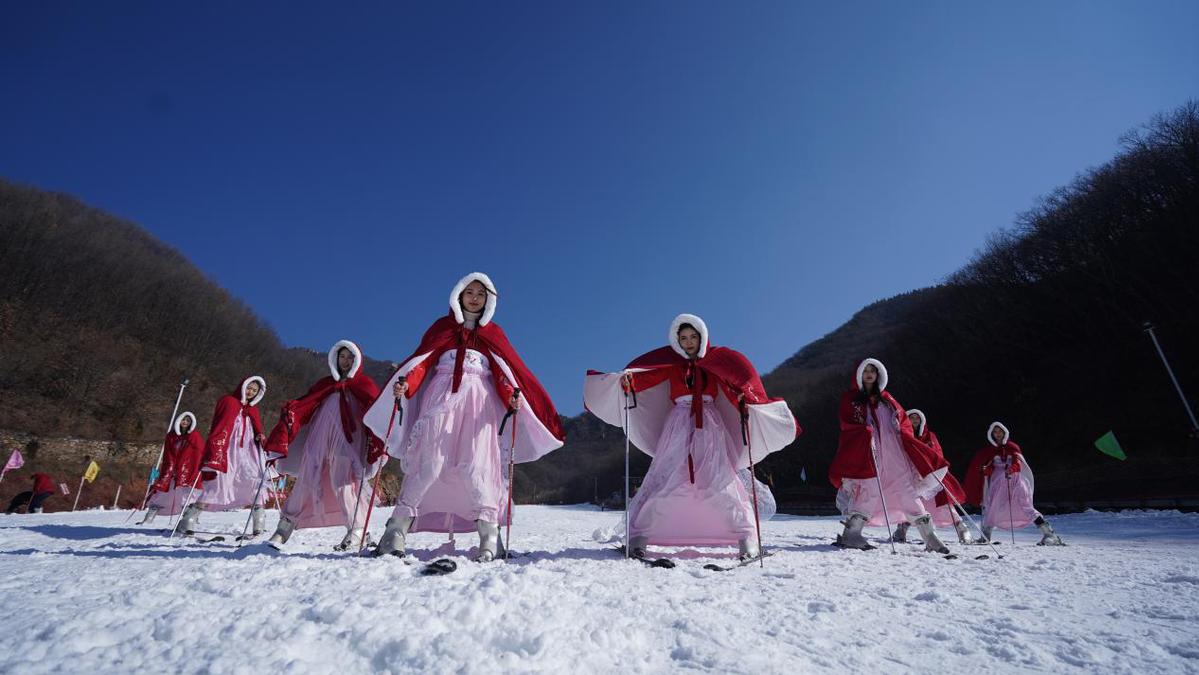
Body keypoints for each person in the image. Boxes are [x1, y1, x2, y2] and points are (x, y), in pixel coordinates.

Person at [364, 273, 564, 561]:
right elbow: (424, 362)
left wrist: (511, 395)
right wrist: (407, 384)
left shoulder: (494, 334)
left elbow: (502, 372)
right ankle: (395, 531)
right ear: (458, 295)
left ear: (489, 301)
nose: (474, 297)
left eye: (480, 294)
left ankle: (489, 536)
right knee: (429, 462)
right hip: (441, 398)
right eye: (469, 292)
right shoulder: (442, 328)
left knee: (477, 465)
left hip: (480, 403)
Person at [583, 313, 800, 561]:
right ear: (677, 341)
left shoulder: (717, 364)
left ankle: (746, 537)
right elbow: (647, 377)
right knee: (666, 478)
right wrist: (631, 381)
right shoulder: (671, 366)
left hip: (709, 424)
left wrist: (743, 401)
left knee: (720, 479)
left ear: (702, 338)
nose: (688, 342)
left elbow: (732, 386)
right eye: (683, 337)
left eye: (693, 337)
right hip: (678, 424)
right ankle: (639, 536)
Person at [264, 340, 386, 551]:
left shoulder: (364, 383)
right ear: (335, 359)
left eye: (350, 357)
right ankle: (284, 528)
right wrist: (291, 412)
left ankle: (357, 530)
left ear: (357, 360)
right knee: (306, 477)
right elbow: (306, 404)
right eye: (342, 357)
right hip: (319, 434)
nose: (346, 361)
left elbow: (377, 409)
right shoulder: (325, 384)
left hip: (348, 438)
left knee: (343, 481)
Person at [828, 358, 953, 553]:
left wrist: (900, 428)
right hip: (868, 450)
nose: (869, 374)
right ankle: (852, 534)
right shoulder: (851, 398)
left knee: (906, 488)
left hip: (894, 451)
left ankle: (930, 536)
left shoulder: (888, 399)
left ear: (879, 375)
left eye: (873, 370)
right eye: (866, 370)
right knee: (869, 487)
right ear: (859, 374)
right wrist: (864, 431)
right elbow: (847, 424)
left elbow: (904, 422)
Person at [176, 376, 268, 536]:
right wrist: (215, 447)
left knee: (254, 482)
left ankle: (259, 521)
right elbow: (220, 425)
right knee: (217, 483)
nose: (250, 392)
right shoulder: (229, 401)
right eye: (249, 388)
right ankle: (189, 517)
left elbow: (257, 429)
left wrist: (259, 435)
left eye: (254, 390)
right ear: (242, 386)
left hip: (248, 452)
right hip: (227, 449)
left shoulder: (253, 410)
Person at [964, 422, 1064, 546]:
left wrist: (1011, 470)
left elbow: (1018, 464)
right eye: (995, 432)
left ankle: (1050, 534)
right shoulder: (990, 450)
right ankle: (986, 536)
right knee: (991, 506)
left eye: (999, 431)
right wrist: (986, 470)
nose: (997, 434)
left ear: (1004, 432)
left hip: (1015, 480)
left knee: (1026, 506)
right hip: (998, 483)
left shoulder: (1013, 447)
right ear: (991, 434)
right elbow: (990, 468)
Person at [890, 409, 972, 545]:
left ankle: (962, 529)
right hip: (912, 474)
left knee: (943, 504)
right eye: (911, 418)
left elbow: (938, 454)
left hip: (930, 474)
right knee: (912, 501)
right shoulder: (902, 436)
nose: (914, 421)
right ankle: (902, 529)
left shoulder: (930, 436)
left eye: (917, 418)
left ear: (922, 421)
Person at [140, 411, 206, 527]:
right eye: (183, 420)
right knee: (163, 492)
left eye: (187, 420)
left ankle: (188, 519)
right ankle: (150, 515)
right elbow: (168, 453)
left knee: (187, 495)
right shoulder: (171, 436)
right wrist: (171, 467)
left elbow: (199, 452)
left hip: (188, 471)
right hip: (172, 469)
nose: (185, 422)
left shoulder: (194, 436)